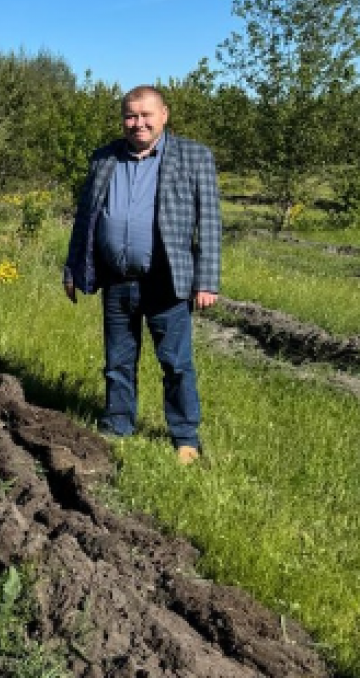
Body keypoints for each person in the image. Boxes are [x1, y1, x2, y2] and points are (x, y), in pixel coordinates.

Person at [63, 85, 221, 465]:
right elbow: (85, 218)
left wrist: (207, 281)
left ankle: (185, 436)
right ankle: (119, 425)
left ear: (164, 115)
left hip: (166, 280)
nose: (138, 124)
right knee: (118, 361)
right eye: (131, 116)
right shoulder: (104, 159)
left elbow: (210, 222)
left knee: (176, 363)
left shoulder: (194, 157)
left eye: (146, 115)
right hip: (117, 279)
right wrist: (72, 269)